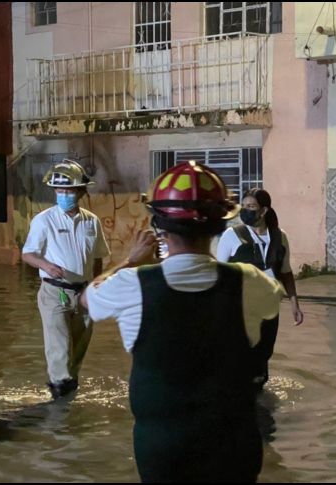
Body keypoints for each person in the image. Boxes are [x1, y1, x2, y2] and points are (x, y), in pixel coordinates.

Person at [81, 161, 285, 482]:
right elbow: (269, 321)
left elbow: (87, 297)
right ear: (220, 225)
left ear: (157, 224)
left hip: (163, 451)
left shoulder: (132, 283)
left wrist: (130, 261)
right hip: (234, 446)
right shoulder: (252, 282)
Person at [21, 159, 110, 400]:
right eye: (59, 191)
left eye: (68, 190)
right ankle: (59, 403)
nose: (63, 195)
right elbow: (28, 254)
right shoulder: (44, 220)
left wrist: (95, 286)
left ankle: (69, 396)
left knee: (78, 350)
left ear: (81, 191)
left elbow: (100, 257)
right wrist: (46, 266)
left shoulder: (92, 221)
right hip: (54, 292)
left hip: (84, 294)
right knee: (59, 348)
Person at [217, 188, 304, 391]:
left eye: (251, 207)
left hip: (269, 306)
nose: (246, 210)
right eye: (244, 206)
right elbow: (219, 274)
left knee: (264, 352)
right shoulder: (232, 235)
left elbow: (286, 273)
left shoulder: (279, 237)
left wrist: (294, 304)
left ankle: (259, 394)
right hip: (240, 307)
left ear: (263, 211)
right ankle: (237, 392)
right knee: (240, 351)